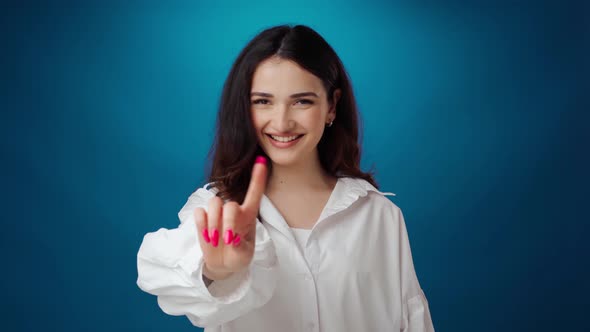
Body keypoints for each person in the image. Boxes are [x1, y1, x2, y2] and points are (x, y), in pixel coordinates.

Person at [136, 24, 434, 331]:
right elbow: (166, 278)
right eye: (263, 101)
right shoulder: (218, 212)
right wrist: (216, 272)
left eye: (302, 101)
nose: (282, 122)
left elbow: (410, 319)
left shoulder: (379, 215)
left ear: (331, 105)